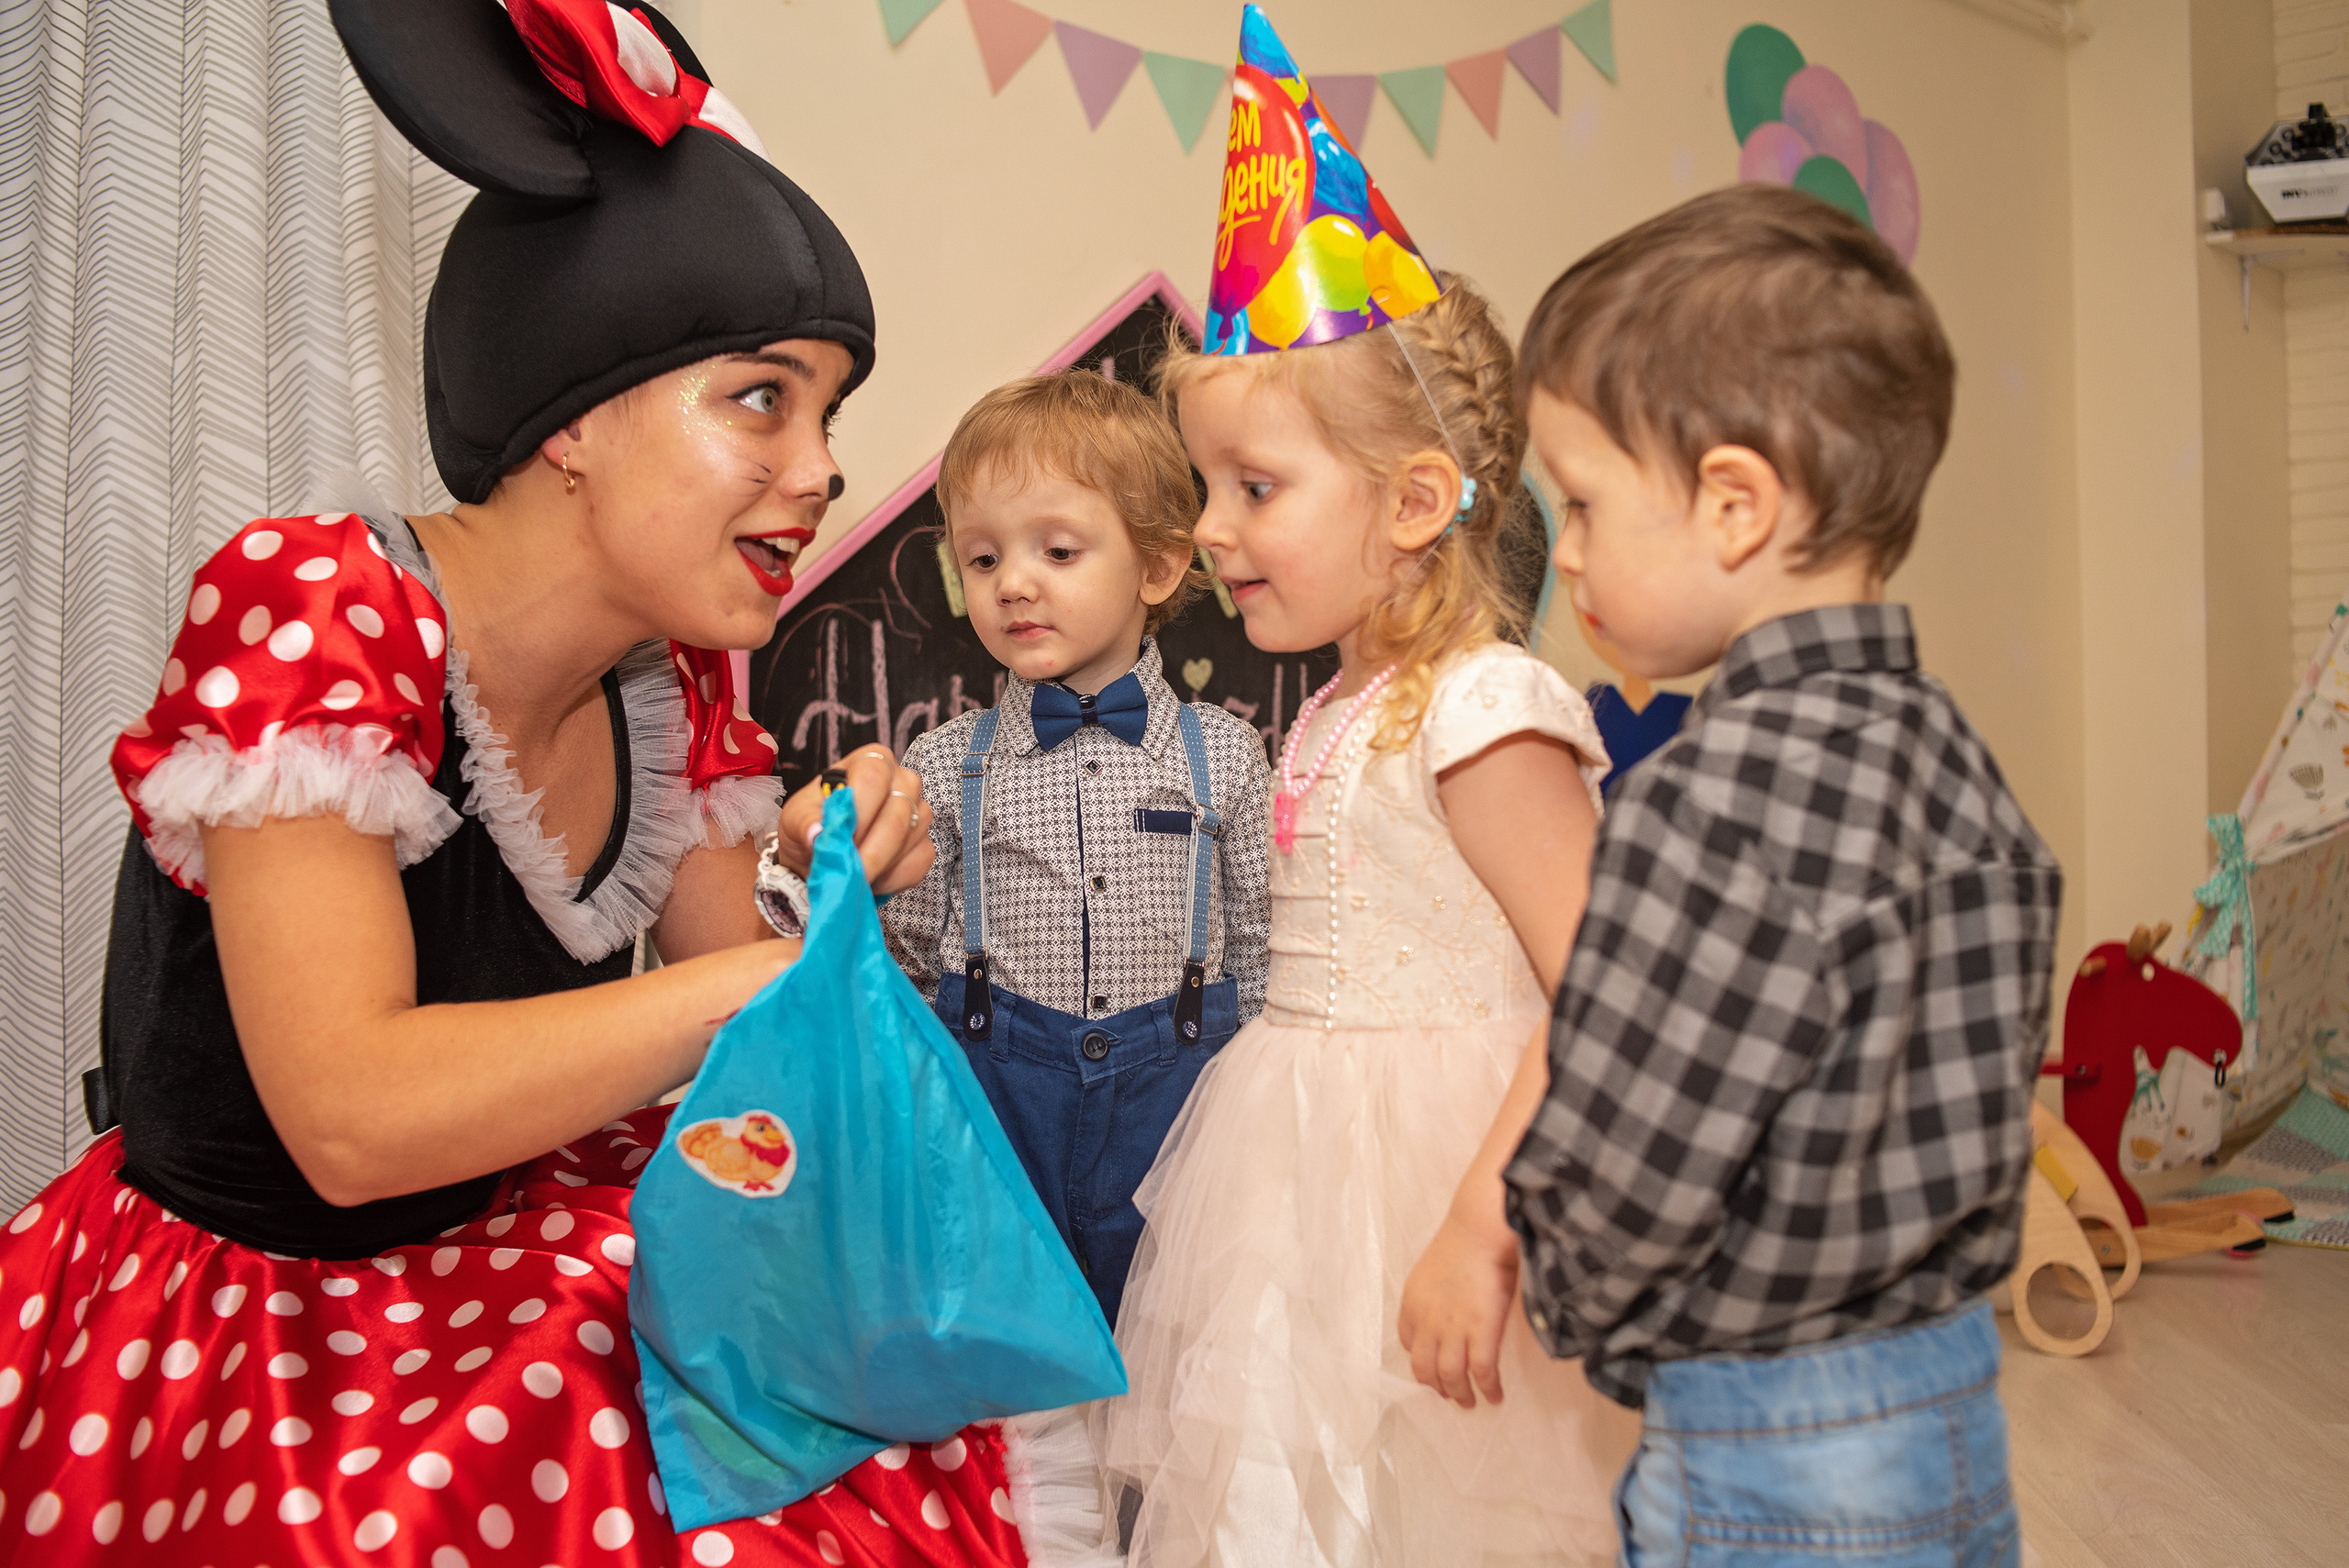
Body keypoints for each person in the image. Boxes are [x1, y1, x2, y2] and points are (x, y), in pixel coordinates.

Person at [0, 3, 1086, 1562]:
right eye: (764, 397)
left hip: (485, 1261)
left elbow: (752, 1013)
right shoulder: (320, 606)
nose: (823, 465)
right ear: (576, 416)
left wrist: (812, 873)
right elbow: (353, 1118)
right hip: (248, 1338)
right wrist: (779, 977)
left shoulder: (677, 678)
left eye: (830, 412)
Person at [1096, 14, 1638, 1562]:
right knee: (1286, 1488)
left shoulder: (1484, 706)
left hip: (1441, 1176)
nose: (1209, 530)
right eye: (1207, 487)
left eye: (1255, 486)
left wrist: (1482, 1221)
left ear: (1413, 502)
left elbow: (1595, 984)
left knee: (1443, 1502)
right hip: (1292, 1176)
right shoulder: (1339, 701)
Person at [1501, 184, 2062, 1566]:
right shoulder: (1956, 759)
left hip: (1770, 1429)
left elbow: (1636, 1141)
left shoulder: (1710, 799)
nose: (1562, 553)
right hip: (1950, 1397)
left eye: (1578, 503)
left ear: (1735, 504)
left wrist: (1560, 1282)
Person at [883, 371, 1271, 1329]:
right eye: (980, 559)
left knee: (1165, 1343)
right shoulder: (942, 761)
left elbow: (1264, 952)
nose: (1013, 581)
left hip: (1180, 1108)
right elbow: (903, 963)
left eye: (1057, 549)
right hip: (1002, 1108)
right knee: (1010, 1348)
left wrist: (1269, 1129)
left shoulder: (1224, 752)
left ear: (1157, 566)